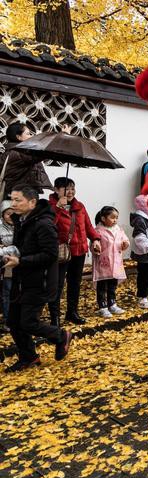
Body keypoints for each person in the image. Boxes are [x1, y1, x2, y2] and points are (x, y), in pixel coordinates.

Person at [4, 185, 73, 372]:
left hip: (39, 281)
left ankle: (61, 335)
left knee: (28, 322)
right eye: (12, 199)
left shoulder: (44, 223)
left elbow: (50, 255)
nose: (13, 204)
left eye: (18, 200)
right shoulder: (22, 221)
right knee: (13, 322)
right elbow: (24, 248)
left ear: (32, 202)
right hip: (22, 279)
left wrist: (21, 261)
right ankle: (29, 357)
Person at [48, 177, 101, 326]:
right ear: (56, 190)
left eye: (72, 188)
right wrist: (58, 207)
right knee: (57, 285)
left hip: (79, 250)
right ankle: (55, 317)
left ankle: (72, 312)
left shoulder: (79, 206)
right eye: (66, 188)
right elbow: (48, 225)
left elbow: (88, 225)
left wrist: (95, 239)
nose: (70, 192)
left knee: (74, 283)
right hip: (61, 252)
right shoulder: (48, 206)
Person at [93, 206, 130, 318]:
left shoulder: (118, 229)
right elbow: (94, 243)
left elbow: (125, 239)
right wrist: (95, 247)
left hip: (116, 262)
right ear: (103, 219)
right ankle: (102, 306)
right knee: (102, 285)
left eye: (116, 218)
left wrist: (125, 243)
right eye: (112, 217)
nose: (115, 220)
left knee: (112, 285)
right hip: (104, 263)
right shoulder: (98, 231)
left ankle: (112, 303)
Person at [0, 122, 53, 198]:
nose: (31, 136)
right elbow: (43, 153)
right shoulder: (18, 154)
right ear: (19, 137)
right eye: (28, 134)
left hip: (16, 196)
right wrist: (63, 136)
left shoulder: (11, 152)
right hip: (18, 199)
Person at [0, 200, 14, 331]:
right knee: (7, 291)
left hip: (21, 262)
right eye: (8, 214)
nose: (11, 216)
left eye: (13, 213)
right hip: (6, 264)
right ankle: (6, 319)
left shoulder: (21, 225)